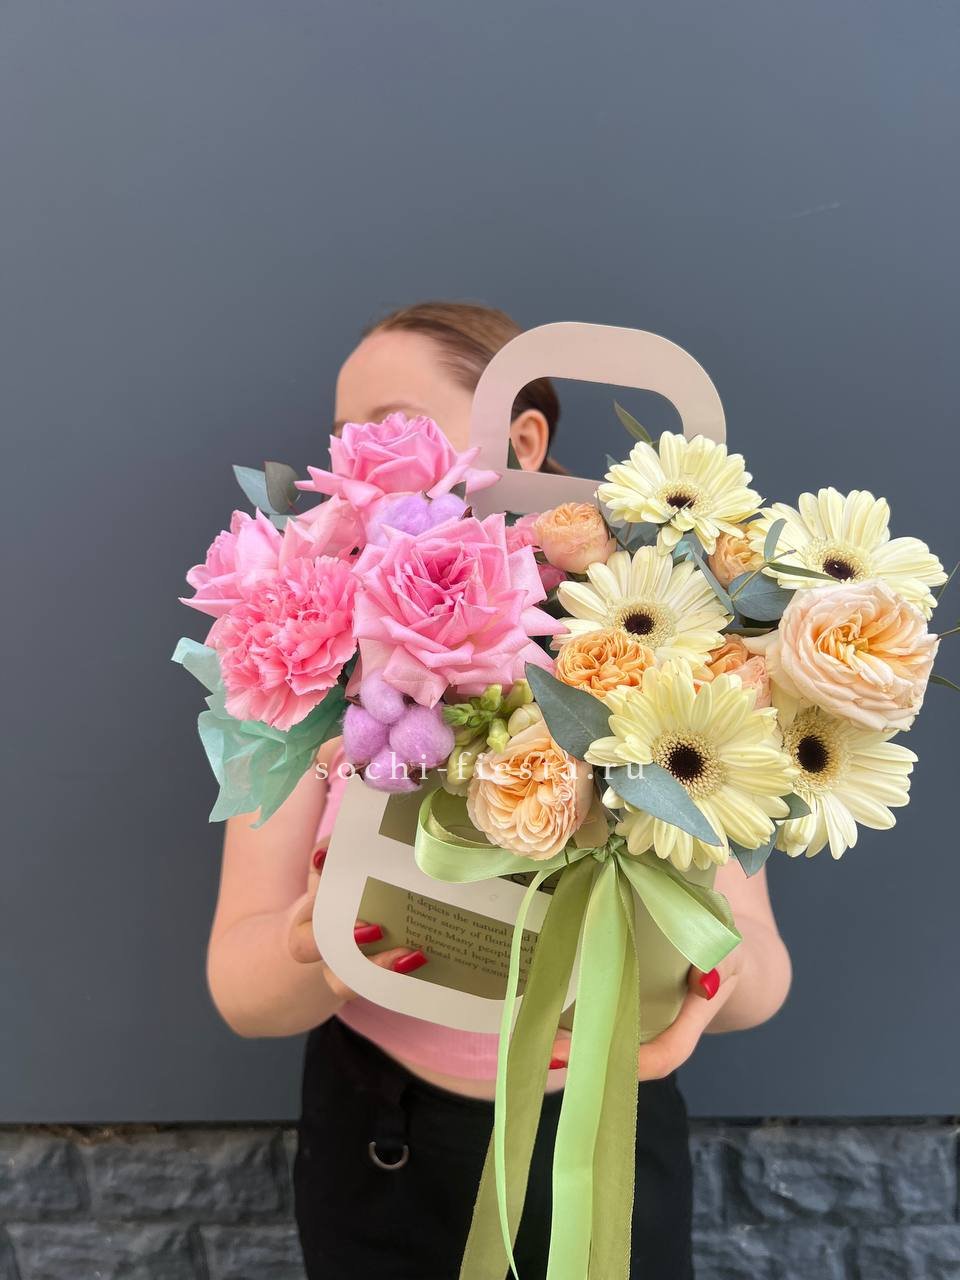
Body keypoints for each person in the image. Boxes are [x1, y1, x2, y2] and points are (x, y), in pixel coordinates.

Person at [206, 301, 793, 1280]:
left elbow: (762, 971)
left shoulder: (653, 639)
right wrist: (323, 945)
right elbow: (241, 991)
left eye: (392, 427)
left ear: (522, 442)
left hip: (605, 1135)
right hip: (382, 1145)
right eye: (343, 437)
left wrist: (710, 970)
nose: (356, 462)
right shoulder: (303, 647)